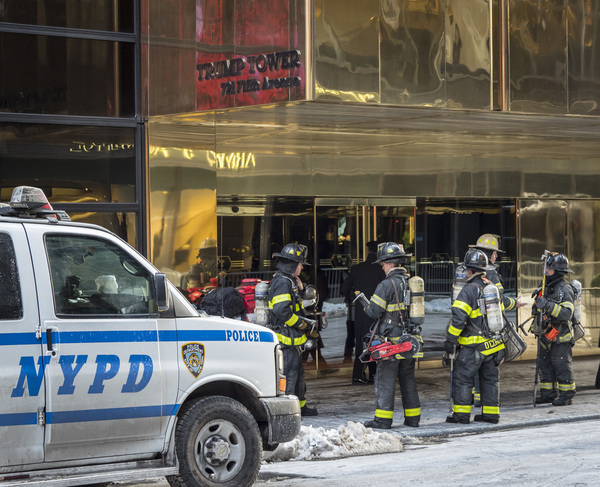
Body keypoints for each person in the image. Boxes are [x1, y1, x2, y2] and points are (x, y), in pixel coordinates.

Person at [362, 242, 421, 429]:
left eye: (383, 263)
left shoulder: (386, 285)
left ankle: (383, 420)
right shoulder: (410, 282)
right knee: (408, 379)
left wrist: (366, 305)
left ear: (389, 263)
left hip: (391, 341)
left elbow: (374, 312)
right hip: (408, 339)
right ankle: (413, 418)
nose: (382, 267)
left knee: (385, 380)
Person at [445, 248, 505, 425]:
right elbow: (501, 317)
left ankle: (461, 415)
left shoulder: (468, 290)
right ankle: (491, 414)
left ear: (469, 271)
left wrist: (450, 340)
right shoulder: (492, 288)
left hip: (471, 346)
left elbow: (458, 320)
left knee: (463, 378)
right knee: (490, 380)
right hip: (492, 346)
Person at [468, 233, 525, 404]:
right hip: (487, 327)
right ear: (491, 253)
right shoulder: (490, 273)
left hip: (470, 325)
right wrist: (514, 303)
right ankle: (483, 400)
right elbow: (498, 299)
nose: (496, 257)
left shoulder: (468, 269)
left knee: (472, 363)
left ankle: (472, 396)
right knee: (487, 365)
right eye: (495, 253)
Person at [268, 242, 318, 416]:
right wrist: (301, 324)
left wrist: (301, 290)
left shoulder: (289, 281)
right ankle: (289, 412)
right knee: (289, 375)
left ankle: (300, 406)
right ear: (292, 264)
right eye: (300, 264)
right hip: (285, 338)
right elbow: (281, 311)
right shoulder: (282, 282)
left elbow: (295, 305)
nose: (302, 267)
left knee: (298, 375)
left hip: (292, 338)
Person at [532, 252, 576, 406]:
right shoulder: (546, 286)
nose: (546, 272)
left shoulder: (565, 288)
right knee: (544, 364)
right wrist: (537, 307)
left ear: (558, 271)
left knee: (561, 365)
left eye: (549, 269)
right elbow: (538, 306)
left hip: (560, 335)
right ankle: (548, 394)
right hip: (546, 333)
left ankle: (567, 395)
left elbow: (566, 313)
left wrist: (548, 305)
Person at [341, 241, 384, 384]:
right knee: (376, 342)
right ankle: (373, 374)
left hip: (361, 312)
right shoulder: (381, 270)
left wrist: (353, 297)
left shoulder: (357, 269)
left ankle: (358, 375)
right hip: (377, 312)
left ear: (367, 252)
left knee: (362, 344)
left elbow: (344, 289)